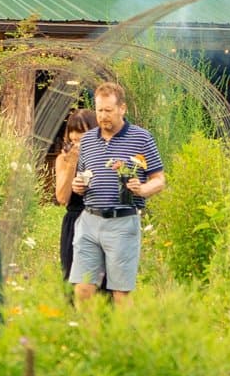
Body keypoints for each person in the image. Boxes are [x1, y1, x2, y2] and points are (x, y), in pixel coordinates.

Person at [69, 78, 164, 306]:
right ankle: (90, 340)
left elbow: (159, 180)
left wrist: (142, 189)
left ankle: (121, 340)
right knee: (82, 289)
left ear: (122, 108)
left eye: (108, 110)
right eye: (99, 110)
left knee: (120, 294)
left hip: (122, 223)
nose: (103, 116)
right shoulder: (89, 140)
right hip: (89, 220)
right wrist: (77, 185)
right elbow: (81, 175)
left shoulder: (142, 138)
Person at [49, 107, 99, 291]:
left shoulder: (104, 157)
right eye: (73, 134)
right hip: (75, 220)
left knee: (102, 283)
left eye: (83, 134)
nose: (77, 139)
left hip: (100, 219)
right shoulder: (64, 159)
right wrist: (72, 163)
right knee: (74, 279)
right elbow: (62, 197)